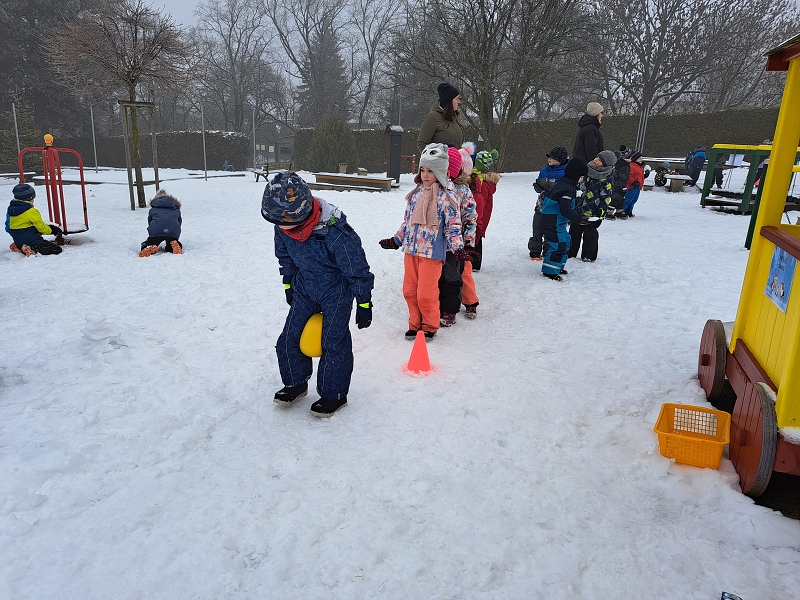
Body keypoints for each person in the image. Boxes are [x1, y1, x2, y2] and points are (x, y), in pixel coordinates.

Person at [262, 171, 374, 418]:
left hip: (336, 292)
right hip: (305, 288)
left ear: (302, 213)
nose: (281, 228)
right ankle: (295, 382)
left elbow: (356, 267)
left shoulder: (334, 231)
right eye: (276, 222)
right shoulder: (283, 225)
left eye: (285, 222)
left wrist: (364, 301)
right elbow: (285, 255)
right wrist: (289, 282)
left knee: (333, 342)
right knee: (289, 337)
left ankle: (334, 395)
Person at [379, 143, 475, 340]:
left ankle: (430, 324)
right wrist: (396, 240)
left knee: (426, 293)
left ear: (440, 172)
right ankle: (414, 324)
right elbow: (407, 222)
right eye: (422, 170)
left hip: (432, 254)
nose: (424, 174)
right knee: (410, 290)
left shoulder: (448, 197)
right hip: (411, 251)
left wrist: (459, 249)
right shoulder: (415, 194)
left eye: (430, 170)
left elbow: (454, 226)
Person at [438, 145, 478, 326]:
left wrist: (469, 243)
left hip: (455, 244)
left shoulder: (462, 190)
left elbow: (470, 218)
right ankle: (438, 306)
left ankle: (452, 309)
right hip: (435, 244)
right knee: (437, 278)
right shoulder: (433, 187)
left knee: (454, 277)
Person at [540, 158, 587, 281]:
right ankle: (549, 270)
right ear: (575, 175)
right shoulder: (565, 188)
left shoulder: (567, 185)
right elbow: (564, 209)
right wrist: (577, 218)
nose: (582, 179)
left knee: (566, 241)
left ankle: (557, 266)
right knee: (558, 244)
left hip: (558, 221)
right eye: (581, 176)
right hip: (552, 220)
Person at [569, 150, 617, 262]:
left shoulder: (606, 178)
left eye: (600, 160)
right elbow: (578, 184)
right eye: (596, 157)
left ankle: (588, 255)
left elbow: (605, 198)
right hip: (578, 208)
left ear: (606, 164)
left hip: (593, 212)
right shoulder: (587, 170)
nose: (595, 159)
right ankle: (570, 252)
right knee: (573, 232)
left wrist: (600, 215)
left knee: (590, 235)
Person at [529, 146, 569, 260]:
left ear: (560, 160)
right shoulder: (544, 170)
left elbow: (563, 187)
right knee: (537, 228)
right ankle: (534, 251)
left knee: (549, 231)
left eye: (552, 158)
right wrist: (538, 186)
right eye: (549, 157)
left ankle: (547, 252)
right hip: (541, 205)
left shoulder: (565, 172)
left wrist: (549, 184)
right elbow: (539, 187)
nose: (549, 159)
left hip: (554, 207)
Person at [6, 183, 62, 256]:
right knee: (56, 249)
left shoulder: (11, 210)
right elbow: (41, 228)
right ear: (31, 197)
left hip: (18, 240)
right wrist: (52, 230)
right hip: (32, 240)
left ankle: (18, 246)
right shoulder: (31, 211)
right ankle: (30, 249)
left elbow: (8, 226)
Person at [470, 149, 500, 270]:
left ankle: (475, 263)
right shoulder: (482, 179)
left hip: (479, 214)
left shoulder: (481, 181)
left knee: (476, 236)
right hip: (482, 213)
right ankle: (475, 262)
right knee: (476, 236)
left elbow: (479, 201)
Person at [417, 83, 464, 153]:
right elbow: (422, 143)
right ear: (449, 101)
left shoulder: (456, 118)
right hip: (439, 163)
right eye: (456, 99)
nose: (459, 102)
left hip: (456, 162)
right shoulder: (433, 117)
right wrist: (434, 159)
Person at [139, 190, 183, 257]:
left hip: (156, 230)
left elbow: (150, 222)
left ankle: (149, 246)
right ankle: (173, 245)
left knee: (151, 241)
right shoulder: (175, 209)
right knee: (171, 241)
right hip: (172, 230)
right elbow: (179, 222)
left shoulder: (153, 210)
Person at [608, 145, 631, 219]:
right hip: (618, 184)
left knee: (620, 198)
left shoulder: (614, 164)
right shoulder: (623, 165)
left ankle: (619, 211)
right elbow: (623, 177)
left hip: (614, 183)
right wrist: (624, 187)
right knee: (617, 198)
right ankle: (609, 211)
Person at [623, 150, 645, 217]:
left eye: (641, 158)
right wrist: (633, 182)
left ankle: (629, 211)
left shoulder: (639, 167)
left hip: (638, 186)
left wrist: (645, 176)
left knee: (634, 200)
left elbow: (640, 177)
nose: (641, 160)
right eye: (639, 158)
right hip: (632, 186)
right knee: (628, 199)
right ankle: (623, 211)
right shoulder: (631, 166)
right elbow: (628, 176)